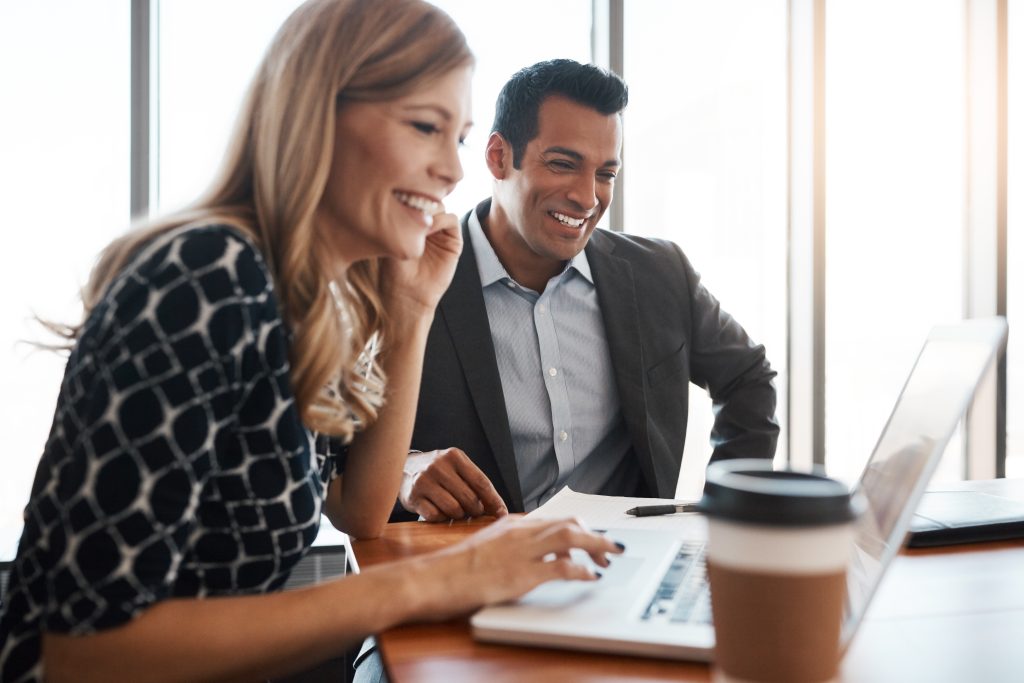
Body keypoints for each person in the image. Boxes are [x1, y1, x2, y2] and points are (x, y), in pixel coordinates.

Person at [0, 7, 622, 683]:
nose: (450, 169)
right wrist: (440, 579)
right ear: (317, 114)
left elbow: (359, 507)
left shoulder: (307, 299)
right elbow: (82, 652)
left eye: (461, 137)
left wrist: (411, 310)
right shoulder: (208, 276)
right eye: (425, 127)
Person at [396, 59, 780, 522]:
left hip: (619, 565)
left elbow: (748, 377)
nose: (588, 196)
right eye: (563, 164)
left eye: (606, 174)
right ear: (498, 157)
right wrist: (407, 469)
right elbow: (338, 456)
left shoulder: (659, 274)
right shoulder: (411, 279)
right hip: (468, 572)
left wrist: (726, 511)